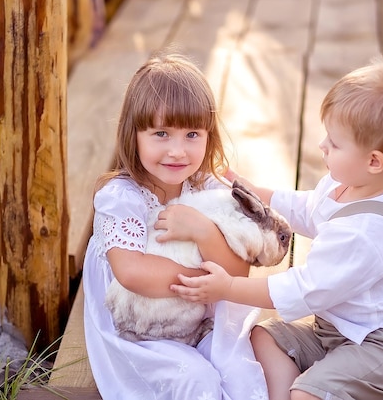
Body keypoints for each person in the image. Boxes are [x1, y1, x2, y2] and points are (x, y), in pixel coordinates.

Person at [171, 58, 383, 400]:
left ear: (374, 161)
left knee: (308, 394)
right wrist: (250, 190)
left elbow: (304, 289)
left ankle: (305, 393)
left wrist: (228, 287)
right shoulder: (347, 184)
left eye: (335, 143)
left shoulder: (368, 234)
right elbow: (306, 208)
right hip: (337, 334)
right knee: (262, 336)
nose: (323, 146)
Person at [82, 52, 268, 400]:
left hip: (203, 314)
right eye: (162, 133)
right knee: (196, 381)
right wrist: (208, 283)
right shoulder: (121, 198)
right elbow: (132, 273)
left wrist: (203, 231)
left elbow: (237, 270)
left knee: (241, 374)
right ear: (133, 134)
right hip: (140, 326)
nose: (178, 151)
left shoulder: (207, 188)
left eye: (192, 134)